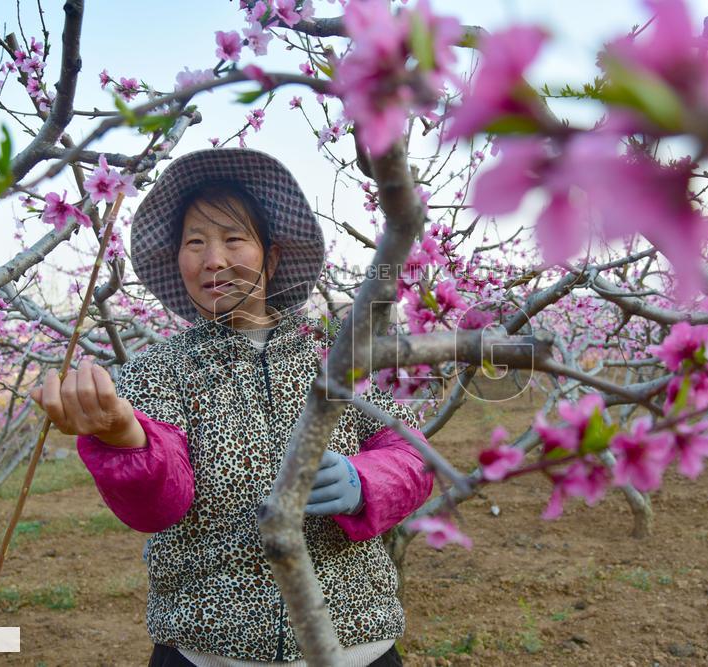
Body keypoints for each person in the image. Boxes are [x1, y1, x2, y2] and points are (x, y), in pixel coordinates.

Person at [29, 149, 434, 667]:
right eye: (194, 243)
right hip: (209, 654)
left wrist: (365, 482)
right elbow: (160, 505)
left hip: (356, 644)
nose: (212, 260)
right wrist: (127, 439)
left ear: (272, 256)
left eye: (233, 239)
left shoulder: (334, 363)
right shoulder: (155, 373)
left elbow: (412, 454)